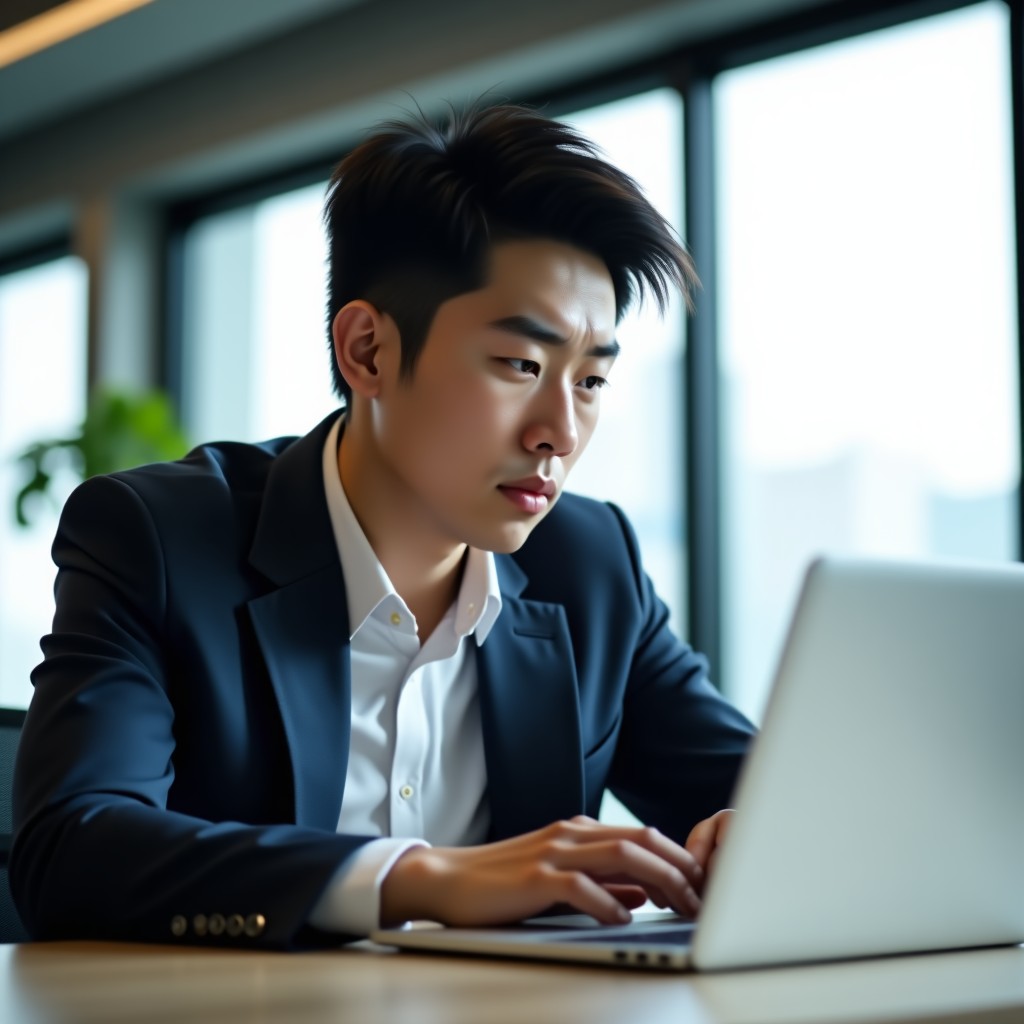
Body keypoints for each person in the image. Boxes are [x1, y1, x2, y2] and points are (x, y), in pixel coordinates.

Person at [11, 102, 756, 949]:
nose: (560, 430)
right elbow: (68, 851)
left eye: (590, 381)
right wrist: (418, 877)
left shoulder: (591, 568)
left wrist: (758, 832)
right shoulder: (159, 539)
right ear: (367, 351)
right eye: (520, 364)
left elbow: (769, 796)